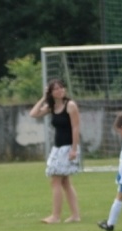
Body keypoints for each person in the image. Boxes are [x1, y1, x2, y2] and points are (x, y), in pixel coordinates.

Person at [29, 79, 82, 223]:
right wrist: (43, 98)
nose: (60, 91)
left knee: (55, 181)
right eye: (56, 89)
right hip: (58, 148)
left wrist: (74, 149)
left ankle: (56, 216)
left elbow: (75, 127)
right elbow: (33, 114)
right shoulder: (52, 106)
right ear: (51, 93)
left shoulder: (70, 105)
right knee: (65, 182)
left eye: (61, 88)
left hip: (68, 147)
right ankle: (75, 216)